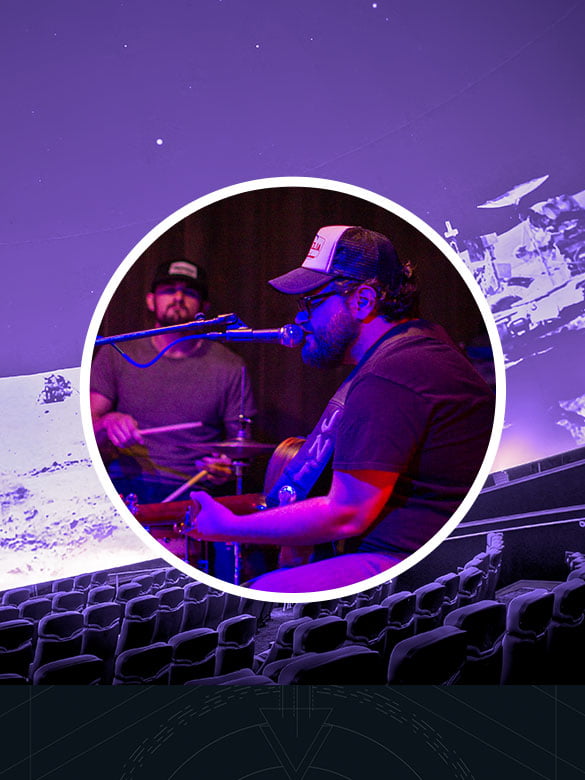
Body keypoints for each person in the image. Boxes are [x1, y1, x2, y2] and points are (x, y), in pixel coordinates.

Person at [186, 225, 496, 593]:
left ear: (363, 300)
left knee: (256, 601)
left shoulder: (391, 373)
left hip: (410, 562)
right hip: (423, 552)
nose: (300, 319)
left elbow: (347, 513)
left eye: (312, 302)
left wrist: (229, 527)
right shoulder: (418, 345)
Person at [90, 259, 256, 506]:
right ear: (150, 300)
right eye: (169, 290)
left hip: (194, 493)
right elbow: (83, 429)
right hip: (122, 488)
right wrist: (108, 422)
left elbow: (242, 449)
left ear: (204, 306)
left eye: (189, 292)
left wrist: (225, 467)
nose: (178, 297)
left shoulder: (230, 366)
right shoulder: (117, 353)